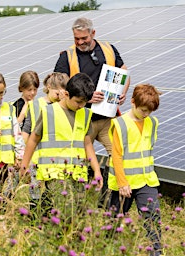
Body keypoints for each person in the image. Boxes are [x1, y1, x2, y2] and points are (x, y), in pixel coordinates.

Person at [54, 17, 129, 201]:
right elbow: (60, 86)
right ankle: (78, 197)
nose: (80, 42)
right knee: (78, 159)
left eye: (84, 38)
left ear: (93, 33)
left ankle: (110, 196)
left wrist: (123, 92)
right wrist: (87, 99)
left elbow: (124, 71)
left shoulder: (108, 49)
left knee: (119, 155)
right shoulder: (67, 56)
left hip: (107, 117)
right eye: (76, 39)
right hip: (80, 119)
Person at [21, 73, 103, 214]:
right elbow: (33, 139)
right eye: (78, 101)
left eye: (84, 102)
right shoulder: (48, 112)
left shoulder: (84, 114)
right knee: (65, 209)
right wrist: (24, 165)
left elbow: (88, 144)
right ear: (66, 94)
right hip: (54, 173)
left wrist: (97, 170)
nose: (81, 106)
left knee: (78, 213)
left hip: (78, 174)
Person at [108, 84, 162, 255]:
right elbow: (116, 155)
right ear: (132, 102)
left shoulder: (152, 123)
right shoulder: (120, 124)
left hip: (147, 180)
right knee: (114, 221)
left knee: (153, 217)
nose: (146, 114)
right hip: (124, 183)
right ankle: (107, 249)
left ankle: (156, 252)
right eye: (143, 110)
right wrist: (122, 182)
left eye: (149, 111)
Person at [21, 72, 69, 206]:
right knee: (35, 192)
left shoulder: (65, 107)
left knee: (52, 193)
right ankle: (33, 218)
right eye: (56, 91)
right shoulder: (36, 105)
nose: (59, 95)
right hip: (37, 158)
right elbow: (26, 131)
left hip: (56, 160)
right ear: (48, 87)